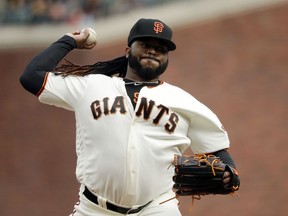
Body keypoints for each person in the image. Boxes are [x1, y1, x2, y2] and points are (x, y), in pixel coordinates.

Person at [20, 18, 239, 216]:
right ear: (127, 50)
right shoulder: (91, 86)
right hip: (94, 209)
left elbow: (219, 152)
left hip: (158, 208)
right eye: (145, 45)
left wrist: (230, 174)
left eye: (161, 49)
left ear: (166, 58)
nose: (153, 51)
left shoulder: (184, 101)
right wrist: (69, 41)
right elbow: (32, 77)